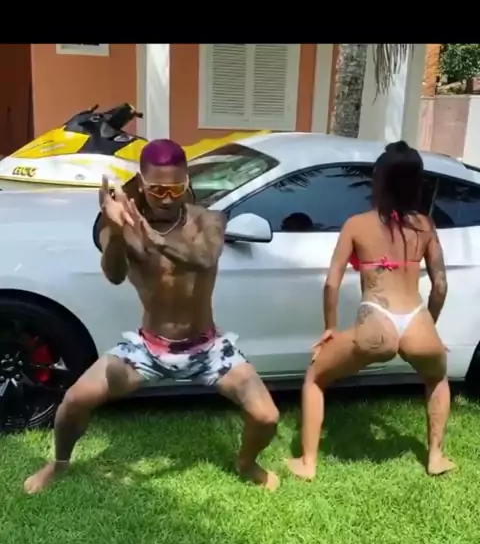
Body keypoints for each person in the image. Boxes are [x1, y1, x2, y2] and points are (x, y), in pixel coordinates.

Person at [24, 139, 280, 495]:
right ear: (142, 183)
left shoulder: (208, 220)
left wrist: (154, 239)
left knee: (267, 416)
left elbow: (204, 258)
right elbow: (114, 275)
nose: (167, 198)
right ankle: (59, 462)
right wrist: (117, 233)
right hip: (149, 348)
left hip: (207, 348)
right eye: (157, 189)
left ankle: (246, 462)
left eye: (175, 188)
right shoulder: (122, 224)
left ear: (186, 182)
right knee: (75, 401)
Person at [286, 140, 454, 482]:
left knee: (315, 377)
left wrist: (330, 327)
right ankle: (436, 457)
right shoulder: (425, 225)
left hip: (376, 321)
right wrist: (429, 328)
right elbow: (440, 286)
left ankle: (308, 462)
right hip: (417, 320)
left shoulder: (357, 224)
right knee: (436, 379)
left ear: (378, 180)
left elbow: (331, 283)